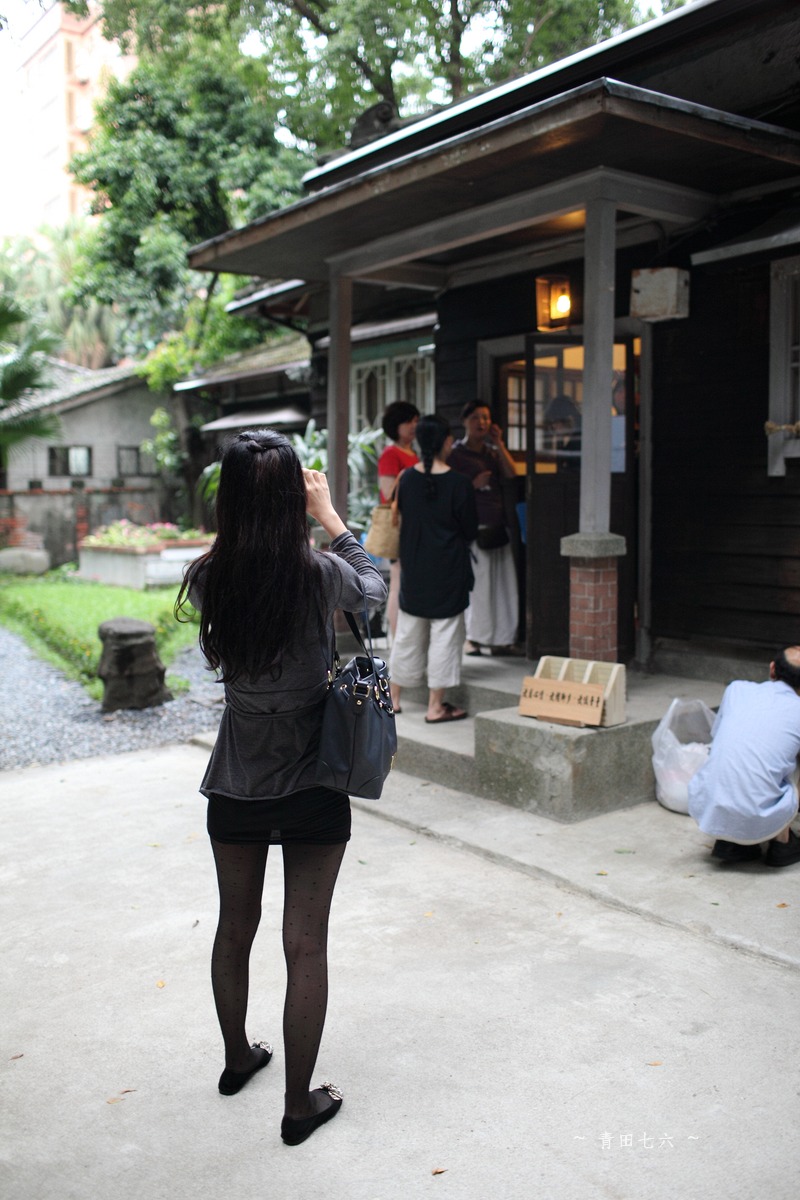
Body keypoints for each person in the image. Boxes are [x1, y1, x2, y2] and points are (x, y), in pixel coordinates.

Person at [176, 429, 387, 1145]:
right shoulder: (319, 572)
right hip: (313, 779)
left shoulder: (209, 575)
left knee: (234, 927)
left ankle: (238, 1059)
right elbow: (375, 590)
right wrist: (332, 518)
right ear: (293, 495)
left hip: (236, 777)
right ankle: (299, 1106)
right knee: (305, 943)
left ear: (231, 499)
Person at [389, 413, 478, 722]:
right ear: (446, 442)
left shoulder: (406, 479)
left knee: (407, 635)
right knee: (445, 637)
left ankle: (393, 699)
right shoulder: (460, 483)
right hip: (449, 571)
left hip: (414, 569)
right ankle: (435, 706)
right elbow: (470, 530)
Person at [687, 647, 800, 867]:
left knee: (740, 749)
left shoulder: (736, 689)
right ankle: (782, 843)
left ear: (772, 669)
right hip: (761, 816)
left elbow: (719, 736)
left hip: (708, 810)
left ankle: (730, 842)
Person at [448, 401, 520, 656]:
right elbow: (449, 490)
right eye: (476, 417)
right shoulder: (455, 454)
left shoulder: (492, 452)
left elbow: (512, 474)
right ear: (465, 421)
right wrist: (472, 485)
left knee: (502, 586)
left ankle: (502, 639)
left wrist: (499, 444)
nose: (482, 422)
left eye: (486, 418)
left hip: (498, 524)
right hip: (473, 527)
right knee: (479, 586)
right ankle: (473, 639)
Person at [377, 400, 420, 638]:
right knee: (398, 579)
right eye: (408, 421)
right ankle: (397, 639)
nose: (413, 425)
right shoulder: (390, 454)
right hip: (399, 524)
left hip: (414, 523)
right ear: (396, 425)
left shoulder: (414, 453)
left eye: (415, 421)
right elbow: (388, 492)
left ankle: (405, 638)